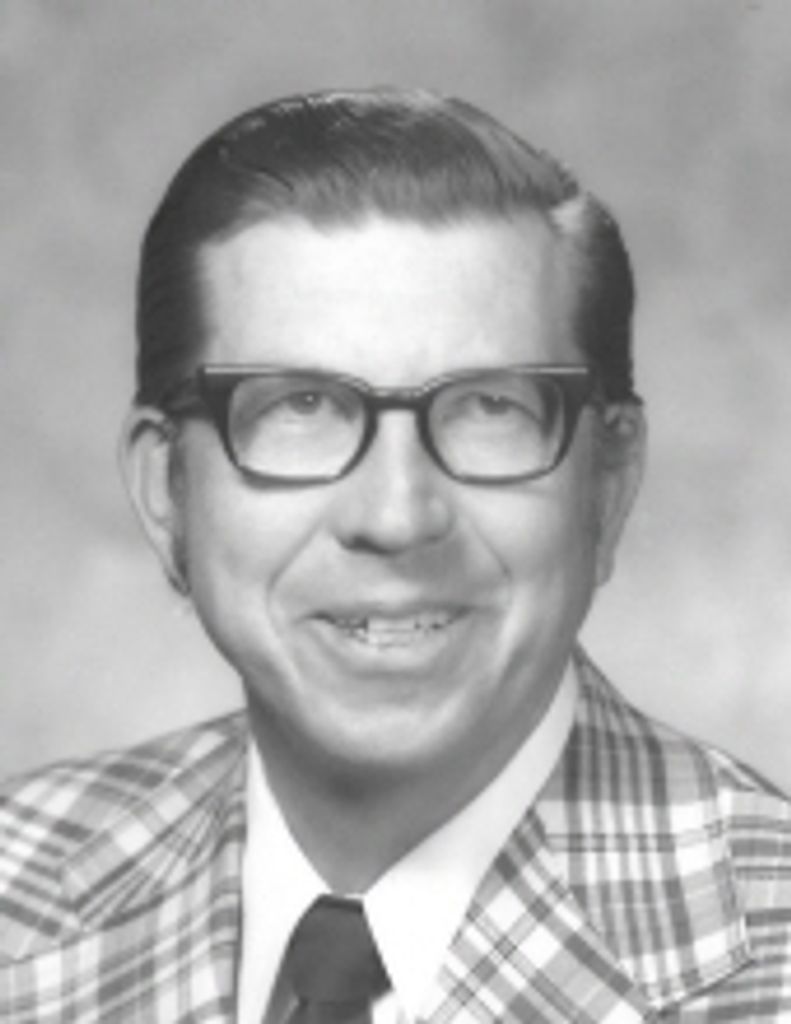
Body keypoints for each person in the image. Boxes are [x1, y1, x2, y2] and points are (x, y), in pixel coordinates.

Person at [1, 88, 789, 1024]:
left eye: (490, 407)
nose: (396, 515)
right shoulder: (18, 885)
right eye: (298, 406)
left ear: (608, 483)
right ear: (165, 490)